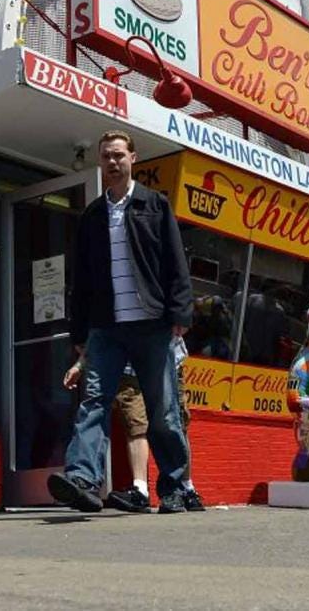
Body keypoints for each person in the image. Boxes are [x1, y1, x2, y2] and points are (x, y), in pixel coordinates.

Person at [48, 131, 196, 514]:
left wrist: (180, 314)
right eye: (105, 157)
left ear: (133, 158)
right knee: (94, 401)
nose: (112, 163)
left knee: (163, 409)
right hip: (106, 329)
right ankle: (82, 478)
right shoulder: (93, 216)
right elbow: (80, 281)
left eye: (118, 155)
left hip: (152, 324)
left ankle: (175, 487)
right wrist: (80, 333)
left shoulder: (154, 205)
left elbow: (175, 262)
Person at [61, 335, 204, 513]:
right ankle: (140, 489)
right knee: (136, 425)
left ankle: (186, 488)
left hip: (166, 361)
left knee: (174, 423)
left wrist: (180, 318)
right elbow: (100, 328)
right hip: (127, 367)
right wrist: (80, 364)